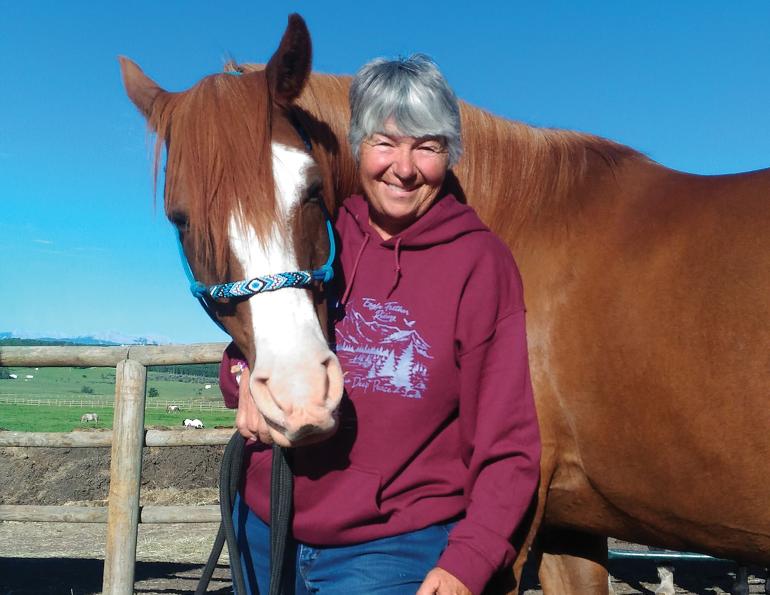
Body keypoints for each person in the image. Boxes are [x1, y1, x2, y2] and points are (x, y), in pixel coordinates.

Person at [219, 54, 540, 595]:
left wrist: (470, 560)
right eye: (386, 142)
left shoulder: (480, 265)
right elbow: (259, 325)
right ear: (358, 145)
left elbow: (508, 441)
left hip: (389, 551)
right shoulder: (322, 233)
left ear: (449, 155)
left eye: (428, 146)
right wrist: (241, 373)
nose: (405, 167)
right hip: (265, 527)